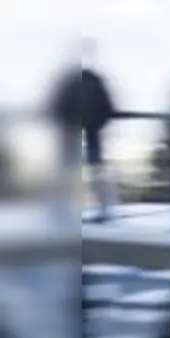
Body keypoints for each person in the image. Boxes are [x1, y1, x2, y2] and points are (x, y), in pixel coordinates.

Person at [47, 40, 117, 223]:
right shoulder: (82, 81)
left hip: (85, 130)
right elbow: (57, 107)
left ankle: (99, 207)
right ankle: (64, 207)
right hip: (77, 130)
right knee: (74, 169)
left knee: (89, 168)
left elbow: (107, 108)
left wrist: (93, 123)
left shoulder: (80, 81)